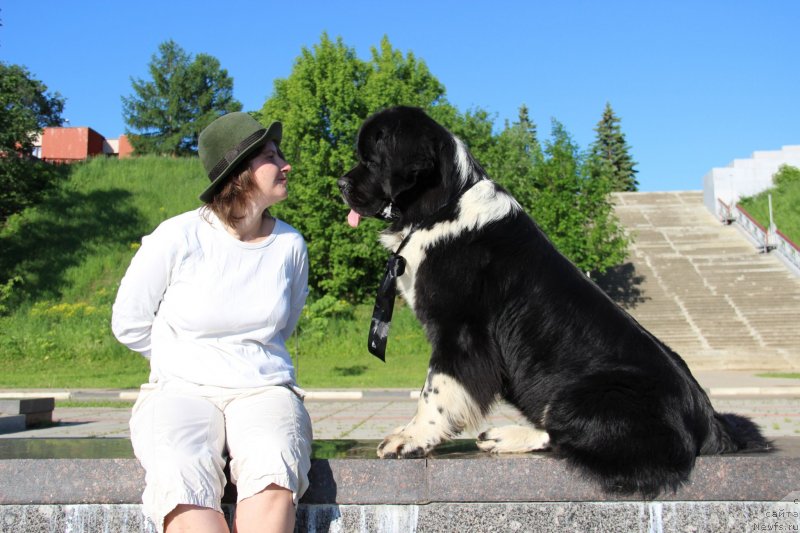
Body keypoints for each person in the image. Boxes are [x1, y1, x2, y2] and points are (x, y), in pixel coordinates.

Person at [112, 112, 312, 533]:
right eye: (272, 157)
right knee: (180, 470)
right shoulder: (178, 236)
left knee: (275, 461)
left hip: (263, 389)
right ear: (240, 171)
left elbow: (280, 327)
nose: (286, 165)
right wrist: (186, 358)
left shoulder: (290, 245)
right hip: (180, 391)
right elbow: (128, 322)